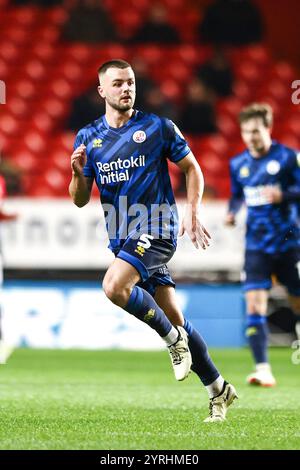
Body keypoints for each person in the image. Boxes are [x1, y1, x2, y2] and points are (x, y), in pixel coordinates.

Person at [69, 59, 238, 422]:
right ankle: (218, 389)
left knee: (114, 286)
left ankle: (171, 341)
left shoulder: (157, 127)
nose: (126, 88)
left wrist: (193, 211)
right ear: (102, 91)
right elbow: (81, 198)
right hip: (122, 234)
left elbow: (193, 168)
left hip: (158, 226)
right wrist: (78, 175)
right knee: (176, 316)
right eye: (117, 84)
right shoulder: (87, 137)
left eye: (130, 82)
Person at [225, 103, 300, 387]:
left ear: (267, 128)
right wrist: (232, 211)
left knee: (297, 303)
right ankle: (263, 369)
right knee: (254, 306)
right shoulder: (237, 164)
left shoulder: (288, 158)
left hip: (288, 242)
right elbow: (236, 195)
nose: (251, 137)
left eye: (255, 131)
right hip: (256, 245)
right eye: (246, 132)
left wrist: (284, 195)